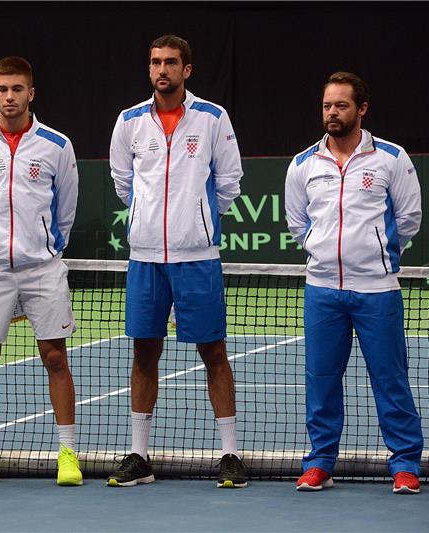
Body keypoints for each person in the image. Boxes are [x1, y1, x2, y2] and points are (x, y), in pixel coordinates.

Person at [108, 35, 247, 488]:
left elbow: (228, 181)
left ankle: (229, 454)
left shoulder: (212, 118)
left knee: (214, 353)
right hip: (146, 258)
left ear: (187, 69)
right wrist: (149, 223)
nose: (161, 69)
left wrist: (197, 221)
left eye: (170, 62)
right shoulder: (129, 122)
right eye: (154, 62)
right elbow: (122, 182)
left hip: (197, 257)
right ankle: (139, 454)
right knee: (144, 352)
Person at [285, 72, 423, 494]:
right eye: (327, 105)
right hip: (322, 291)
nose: (332, 113)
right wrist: (320, 248)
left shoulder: (392, 159)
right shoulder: (303, 163)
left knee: (390, 380)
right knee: (321, 380)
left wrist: (376, 253)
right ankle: (320, 463)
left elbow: (409, 218)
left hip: (378, 291)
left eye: (341, 105)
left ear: (361, 109)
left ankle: (404, 465)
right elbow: (297, 223)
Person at [0, 56, 81, 486]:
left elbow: (66, 209)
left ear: (31, 93)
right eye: (2, 89)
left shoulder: (57, 146)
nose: (10, 97)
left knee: (55, 356)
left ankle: (67, 453)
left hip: (43, 269)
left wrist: (44, 247)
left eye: (17, 89)